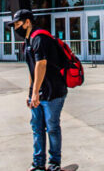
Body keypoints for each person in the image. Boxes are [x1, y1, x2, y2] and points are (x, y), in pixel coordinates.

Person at [8, 9, 67, 171]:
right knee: (37, 128)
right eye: (14, 25)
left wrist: (35, 93)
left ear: (28, 22)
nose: (16, 28)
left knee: (52, 127)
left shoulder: (39, 38)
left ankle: (54, 164)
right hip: (38, 93)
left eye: (18, 24)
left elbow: (41, 64)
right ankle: (38, 164)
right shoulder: (27, 42)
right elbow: (32, 69)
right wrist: (31, 93)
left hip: (53, 91)